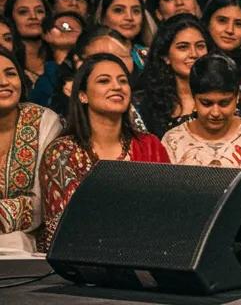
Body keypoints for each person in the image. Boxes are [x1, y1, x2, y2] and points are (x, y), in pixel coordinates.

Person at [39, 54, 169, 249]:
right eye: (104, 81)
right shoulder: (63, 153)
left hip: (146, 252)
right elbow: (64, 226)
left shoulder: (149, 145)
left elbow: (166, 211)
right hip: (80, 256)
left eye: (123, 81)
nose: (117, 86)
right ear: (83, 95)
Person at [0, 47, 62, 252]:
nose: (4, 82)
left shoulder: (43, 121)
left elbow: (40, 205)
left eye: (10, 73)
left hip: (26, 248)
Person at [162, 53, 241, 170]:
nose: (215, 113)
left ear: (237, 97)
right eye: (206, 103)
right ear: (194, 98)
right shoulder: (173, 141)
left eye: (224, 103)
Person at [136, 16, 209, 137]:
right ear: (166, 57)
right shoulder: (150, 105)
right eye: (183, 47)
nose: (194, 54)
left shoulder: (226, 94)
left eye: (200, 46)